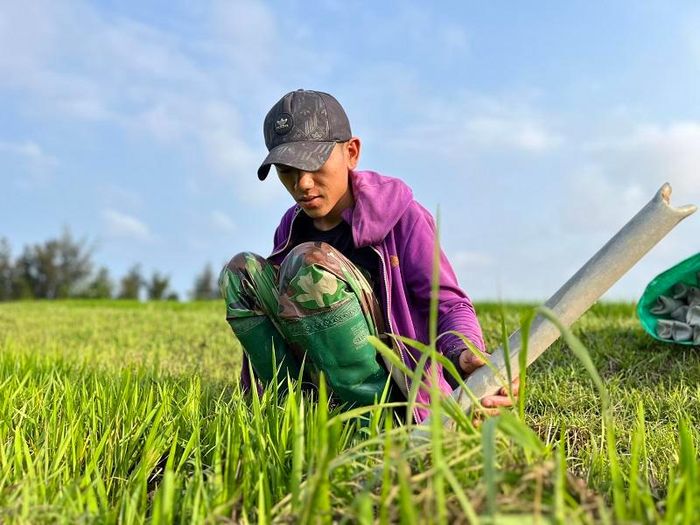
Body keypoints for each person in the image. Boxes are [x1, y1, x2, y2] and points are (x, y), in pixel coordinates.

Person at [219, 89, 517, 423]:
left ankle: (373, 421)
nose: (302, 183)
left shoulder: (404, 218)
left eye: (314, 162)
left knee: (310, 266)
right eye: (287, 170)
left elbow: (448, 304)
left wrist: (465, 355)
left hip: (395, 392)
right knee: (240, 271)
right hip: (320, 382)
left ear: (352, 152)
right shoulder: (291, 225)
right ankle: (292, 409)